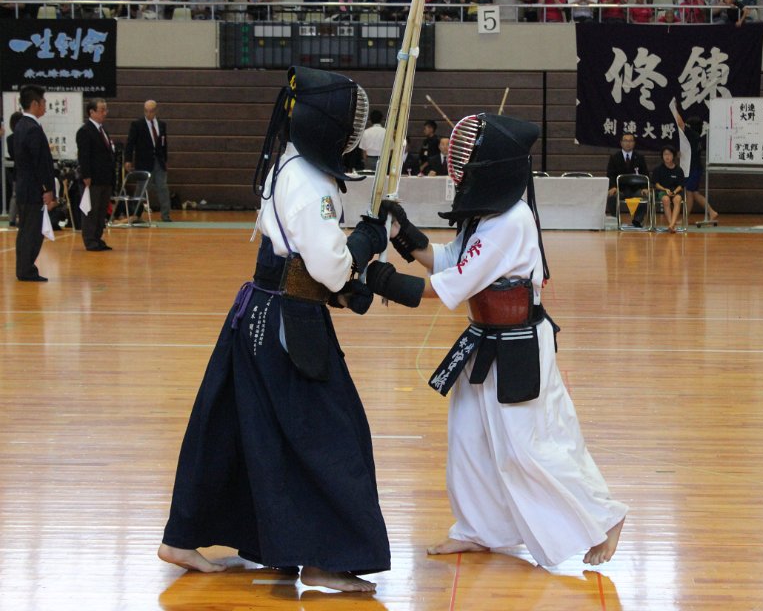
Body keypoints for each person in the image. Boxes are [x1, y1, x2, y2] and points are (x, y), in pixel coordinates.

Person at [158, 67, 391, 592]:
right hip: (288, 323)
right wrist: (366, 240)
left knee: (235, 431)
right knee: (334, 436)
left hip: (259, 314)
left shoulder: (288, 161)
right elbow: (330, 267)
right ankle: (326, 558)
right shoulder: (308, 181)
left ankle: (185, 537)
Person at [363, 113, 628, 568]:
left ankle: (606, 516)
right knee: (468, 439)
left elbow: (454, 283)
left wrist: (382, 279)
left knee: (528, 447)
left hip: (517, 344)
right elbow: (448, 259)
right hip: (485, 338)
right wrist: (403, 233)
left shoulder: (510, 221)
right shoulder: (484, 216)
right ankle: (478, 529)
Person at [13, 86, 57, 282]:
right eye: (44, 102)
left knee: (26, 230)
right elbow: (39, 162)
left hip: (25, 187)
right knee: (31, 231)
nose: (45, 106)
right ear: (34, 104)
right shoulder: (32, 129)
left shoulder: (21, 126)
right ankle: (26, 270)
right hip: (32, 189)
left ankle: (24, 268)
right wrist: (47, 189)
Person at [76, 98, 115, 252]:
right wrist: (86, 176)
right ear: (91, 112)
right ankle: (90, 240)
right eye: (101, 110)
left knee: (101, 211)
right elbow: (84, 156)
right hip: (92, 179)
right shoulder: (85, 131)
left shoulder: (102, 130)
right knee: (91, 211)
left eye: (106, 110)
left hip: (104, 178)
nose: (105, 113)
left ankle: (97, 238)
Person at [124, 99, 172, 223]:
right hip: (143, 162)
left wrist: (165, 160)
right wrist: (128, 159)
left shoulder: (162, 125)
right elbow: (130, 143)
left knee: (163, 188)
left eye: (151, 111)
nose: (148, 114)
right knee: (141, 189)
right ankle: (136, 215)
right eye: (146, 111)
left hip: (159, 162)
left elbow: (164, 144)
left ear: (156, 111)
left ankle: (166, 216)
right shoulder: (137, 125)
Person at [672, 108, 718, 221]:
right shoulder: (696, 137)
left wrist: (674, 109)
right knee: (694, 193)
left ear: (691, 126)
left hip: (694, 169)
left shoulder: (692, 135)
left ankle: (686, 219)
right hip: (694, 168)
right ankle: (711, 212)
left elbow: (680, 123)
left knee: (690, 193)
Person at [605, 132, 648, 216]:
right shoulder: (614, 157)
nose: (628, 143)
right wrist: (613, 187)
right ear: (621, 143)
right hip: (620, 189)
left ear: (634, 143)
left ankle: (637, 220)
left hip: (636, 189)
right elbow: (611, 174)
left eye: (630, 141)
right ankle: (616, 219)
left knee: (644, 196)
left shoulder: (640, 157)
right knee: (612, 197)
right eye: (625, 141)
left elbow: (645, 174)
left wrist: (645, 188)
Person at [651, 145, 684, 232]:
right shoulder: (658, 169)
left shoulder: (679, 170)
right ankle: (671, 224)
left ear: (673, 156)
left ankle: (671, 225)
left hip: (675, 191)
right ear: (662, 156)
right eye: (665, 154)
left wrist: (675, 192)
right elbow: (656, 184)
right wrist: (665, 189)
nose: (667, 156)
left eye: (669, 154)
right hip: (662, 191)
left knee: (677, 199)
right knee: (666, 199)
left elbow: (681, 185)